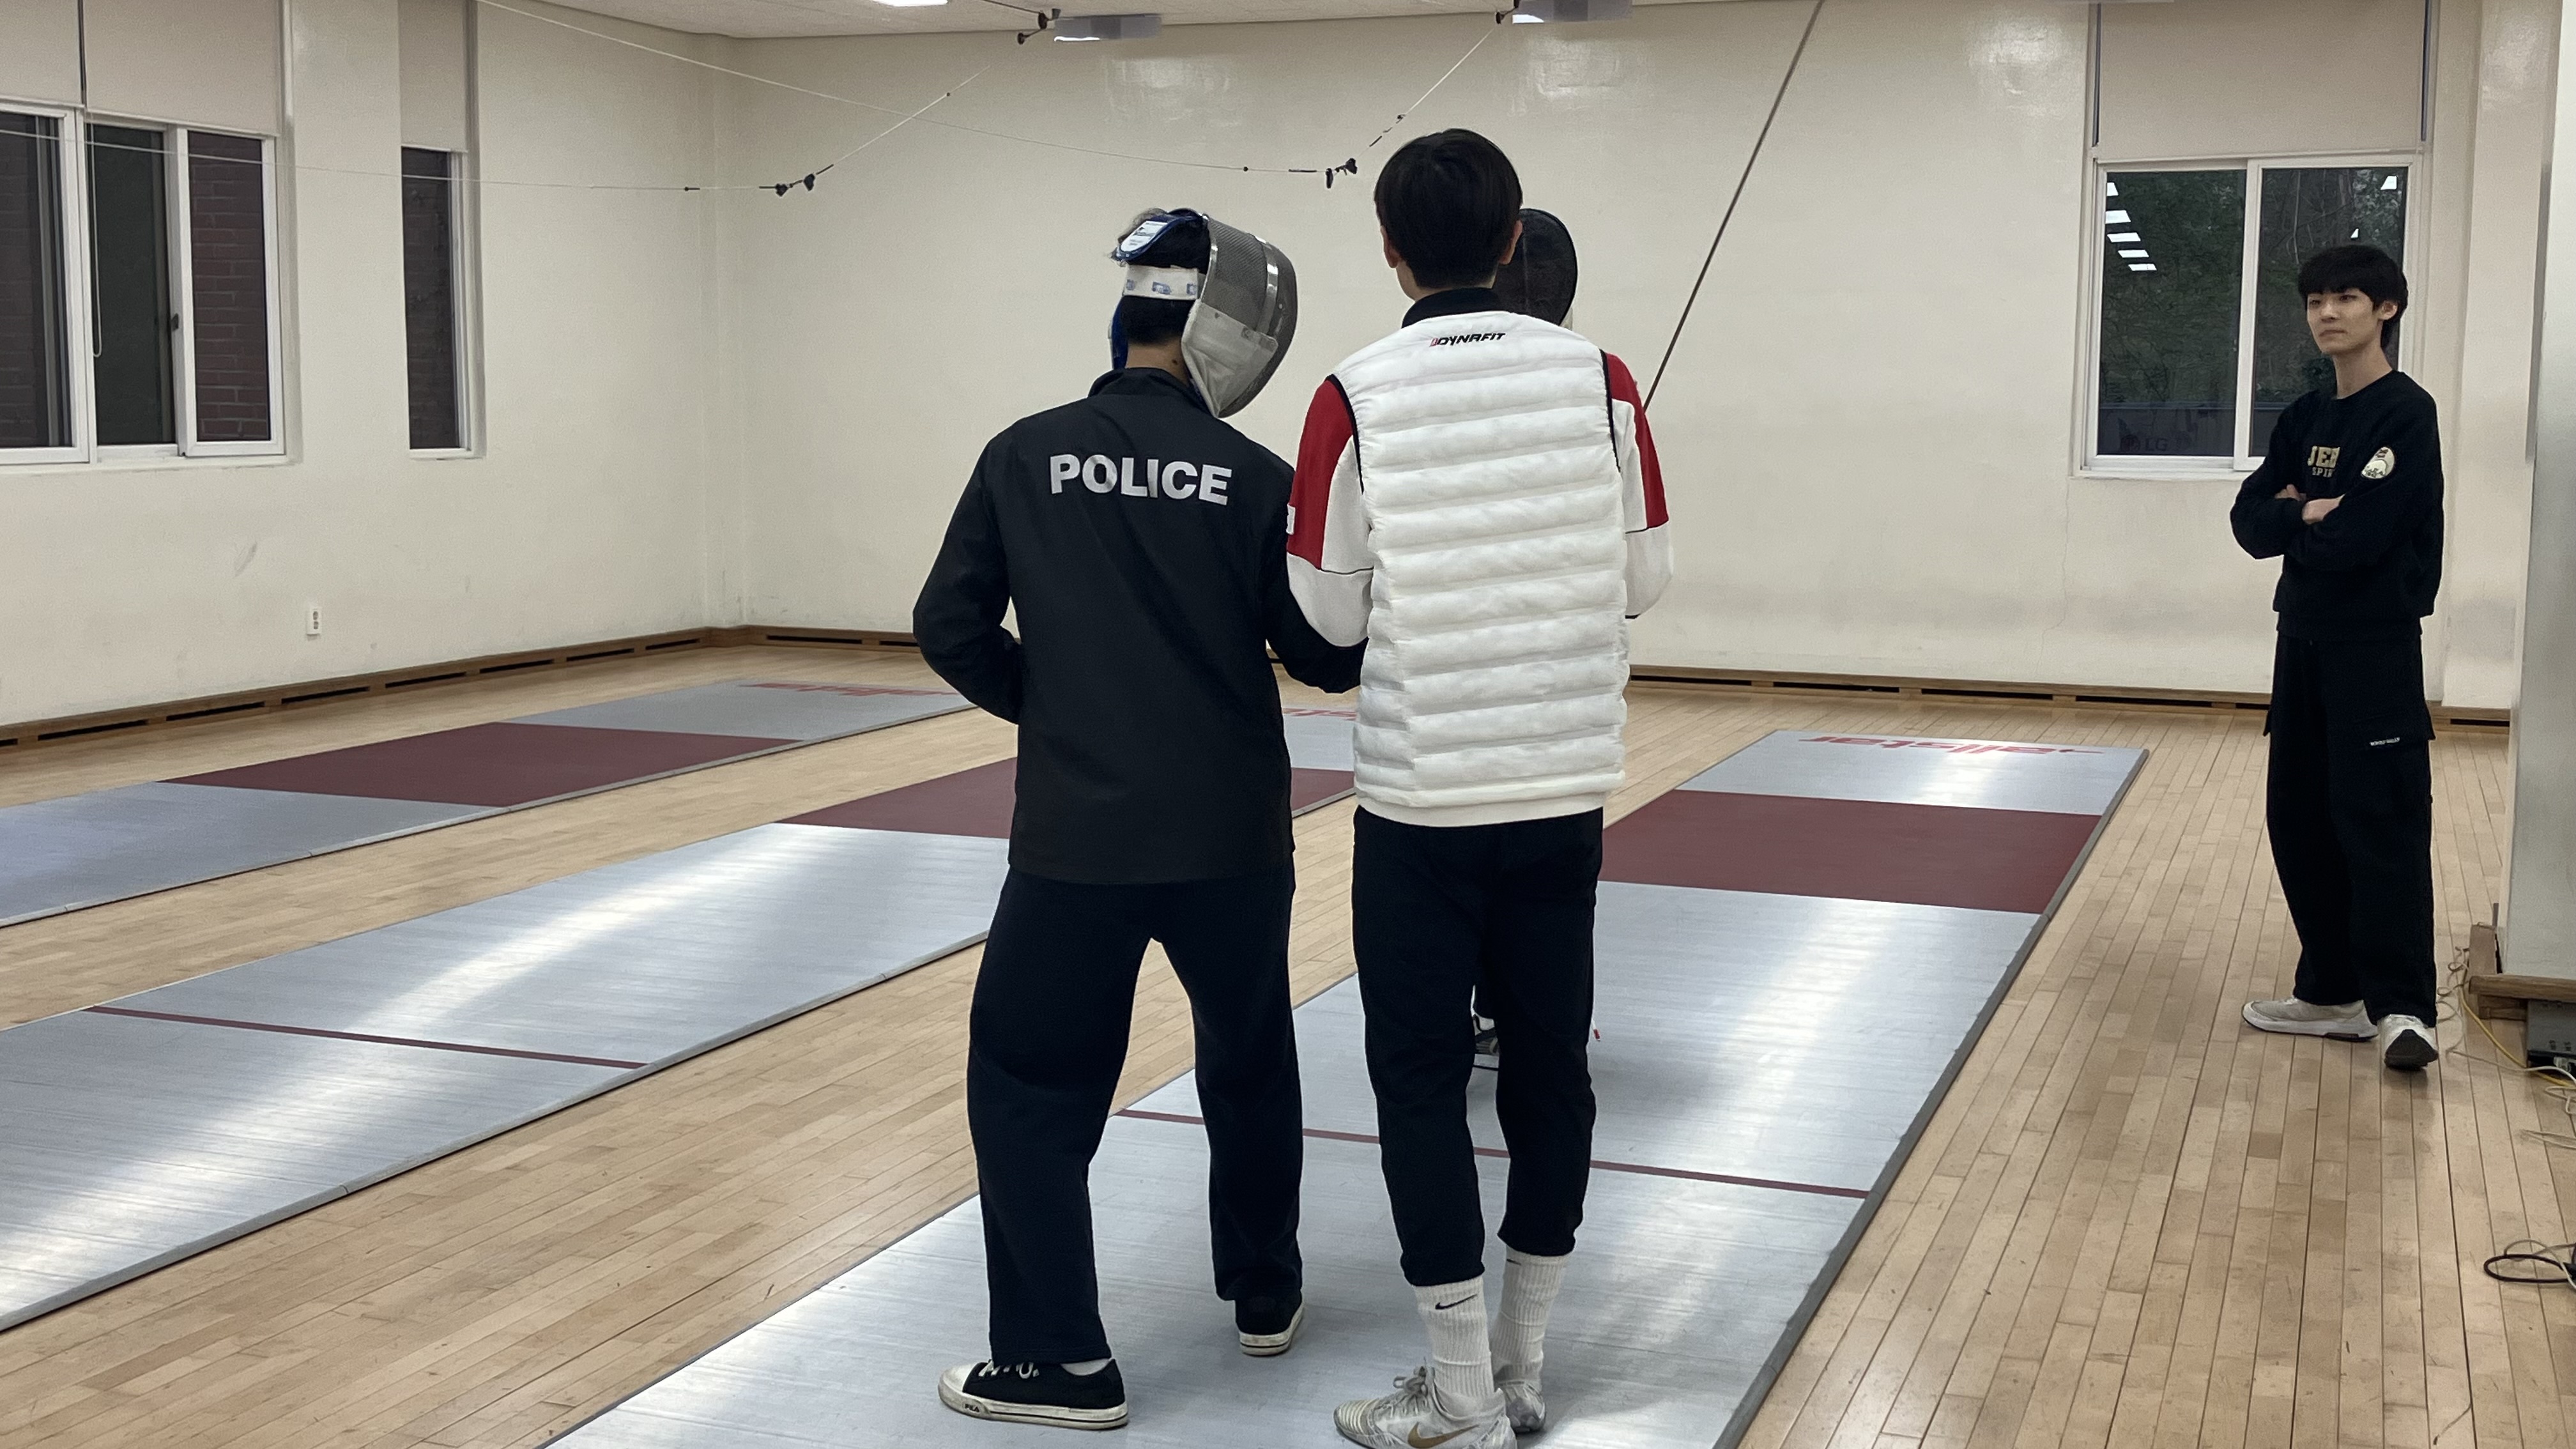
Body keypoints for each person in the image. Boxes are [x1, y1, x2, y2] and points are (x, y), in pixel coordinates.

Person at [914, 207, 1363, 1431]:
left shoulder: (1024, 455)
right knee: (1249, 1054)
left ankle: (1057, 1362)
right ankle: (1265, 1292)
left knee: (1030, 1084)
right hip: (1231, 837)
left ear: (1124, 322)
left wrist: (1052, 705)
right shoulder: (1257, 479)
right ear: (1226, 341)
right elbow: (1326, 657)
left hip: (1079, 840)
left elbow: (947, 626)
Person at [1285, 130, 1673, 1448]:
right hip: (1562, 796)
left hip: (1419, 809)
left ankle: (1458, 1392)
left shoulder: (1348, 391)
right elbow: (1644, 580)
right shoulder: (1603, 378)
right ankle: (1521, 1368)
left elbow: (1327, 615)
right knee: (1550, 1073)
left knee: (1417, 1084)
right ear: (1514, 242)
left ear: (1390, 249)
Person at [2229, 242, 2444, 1073]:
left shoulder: (2405, 414)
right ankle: (2332, 992)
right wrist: (2308, 513)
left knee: (2379, 821)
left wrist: (2308, 517)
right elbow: (2249, 523)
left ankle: (2403, 1009)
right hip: (2302, 643)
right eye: (2317, 299)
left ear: (2386, 309)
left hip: (2376, 650)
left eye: (2346, 297)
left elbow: (2364, 538)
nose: (2327, 312)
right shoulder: (2304, 418)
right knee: (2301, 819)